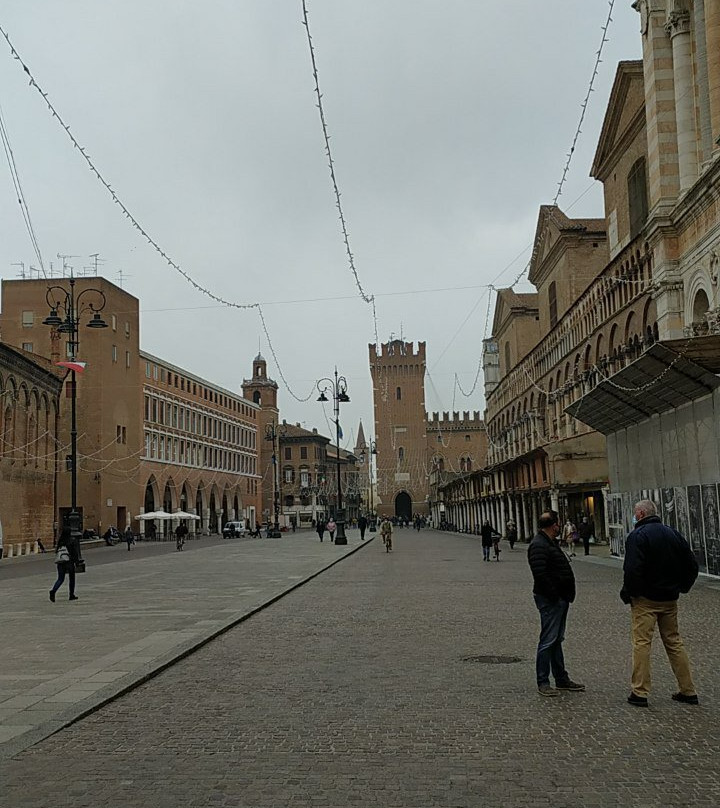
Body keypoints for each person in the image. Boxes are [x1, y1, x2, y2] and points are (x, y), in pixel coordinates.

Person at [621, 499, 699, 708]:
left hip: (646, 599)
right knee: (674, 642)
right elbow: (692, 564)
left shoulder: (637, 536)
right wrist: (681, 587)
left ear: (640, 514)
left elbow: (632, 570)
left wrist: (630, 593)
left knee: (642, 643)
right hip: (669, 598)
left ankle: (640, 691)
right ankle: (688, 689)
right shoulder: (672, 533)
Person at [527, 510, 584, 697]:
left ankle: (561, 678)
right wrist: (554, 595)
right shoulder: (539, 545)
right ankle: (543, 681)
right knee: (548, 640)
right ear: (553, 525)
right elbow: (540, 574)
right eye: (558, 524)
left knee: (556, 640)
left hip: (559, 598)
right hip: (551, 599)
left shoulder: (548, 542)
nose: (559, 527)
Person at [49, 526, 79, 602]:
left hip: (61, 561)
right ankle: (71, 595)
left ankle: (53, 591)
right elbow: (75, 552)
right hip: (69, 561)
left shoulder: (60, 541)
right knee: (71, 579)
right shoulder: (72, 540)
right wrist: (77, 562)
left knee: (60, 578)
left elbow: (56, 551)